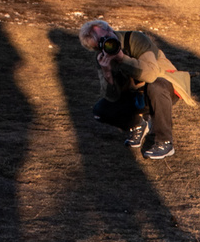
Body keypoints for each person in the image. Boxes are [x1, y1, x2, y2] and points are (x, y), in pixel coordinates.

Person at [78, 18, 193, 160]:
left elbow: (151, 75)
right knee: (100, 111)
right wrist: (107, 72)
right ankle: (138, 124)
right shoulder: (103, 57)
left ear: (110, 29)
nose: (107, 43)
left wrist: (122, 58)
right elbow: (111, 97)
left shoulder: (135, 39)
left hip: (166, 86)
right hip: (138, 95)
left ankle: (165, 142)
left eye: (106, 36)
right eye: (101, 45)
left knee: (155, 86)